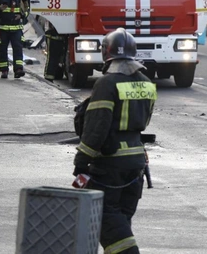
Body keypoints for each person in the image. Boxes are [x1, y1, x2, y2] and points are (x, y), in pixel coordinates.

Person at [73, 28, 156, 254]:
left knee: (104, 218)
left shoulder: (107, 83)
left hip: (109, 163)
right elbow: (144, 121)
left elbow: (97, 127)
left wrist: (81, 161)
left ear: (106, 53)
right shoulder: (147, 82)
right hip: (137, 164)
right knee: (120, 222)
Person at [0, 0, 30, 79]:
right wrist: (0, 8)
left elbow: (27, 10)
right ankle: (4, 70)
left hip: (16, 28)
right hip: (3, 28)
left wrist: (22, 15)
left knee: (18, 49)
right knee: (2, 49)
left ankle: (18, 69)